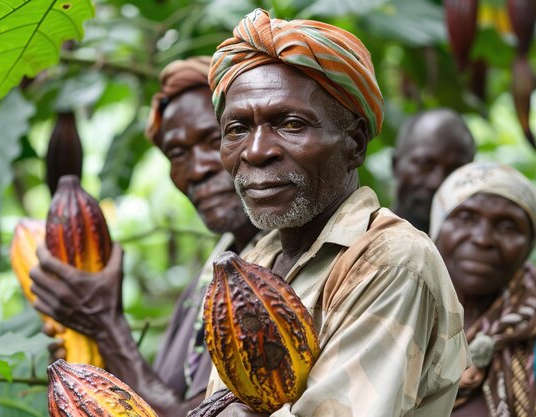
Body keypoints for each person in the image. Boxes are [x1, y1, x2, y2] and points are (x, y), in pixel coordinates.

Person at [195, 8, 469, 417]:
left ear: (354, 143)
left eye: (289, 123)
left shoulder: (392, 260)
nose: (256, 151)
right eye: (237, 129)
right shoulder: (255, 261)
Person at [29, 57, 259, 417]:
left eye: (214, 139)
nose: (197, 169)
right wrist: (88, 370)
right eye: (178, 153)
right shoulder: (219, 261)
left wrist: (107, 326)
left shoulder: (283, 268)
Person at [428, 161, 536, 417]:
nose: (482, 239)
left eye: (507, 226)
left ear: (530, 244)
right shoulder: (395, 308)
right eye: (466, 218)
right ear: (437, 227)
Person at [392, 108, 476, 234]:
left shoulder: (476, 247)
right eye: (424, 164)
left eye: (454, 171)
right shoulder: (360, 243)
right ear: (396, 165)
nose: (436, 183)